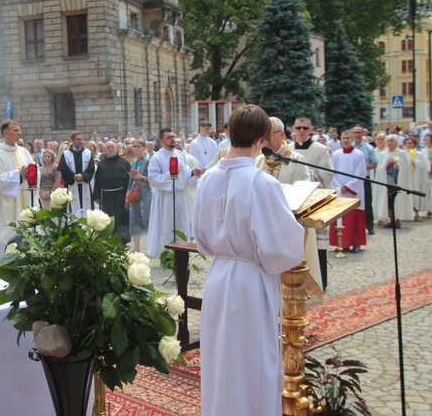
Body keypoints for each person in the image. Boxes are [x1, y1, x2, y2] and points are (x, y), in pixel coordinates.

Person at [192, 105, 304, 416]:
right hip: (251, 280)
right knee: (253, 362)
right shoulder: (262, 182)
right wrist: (298, 229)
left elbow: (199, 236)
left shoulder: (207, 178)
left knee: (221, 361)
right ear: (261, 139)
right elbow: (280, 246)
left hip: (219, 276)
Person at [255, 117, 322, 288]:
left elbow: (303, 190)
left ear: (282, 134)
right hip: (261, 224)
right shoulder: (259, 160)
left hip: (287, 223)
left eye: (269, 134)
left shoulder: (295, 160)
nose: (265, 139)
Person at [0, 120, 37, 254]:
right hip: (8, 205)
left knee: (29, 237)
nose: (19, 133)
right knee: (10, 237)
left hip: (26, 202)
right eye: (16, 130)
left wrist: (32, 172)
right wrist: (18, 174)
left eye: (19, 130)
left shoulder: (24, 152)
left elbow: (34, 171)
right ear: (6, 133)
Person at [289, 116, 333, 289]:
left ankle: (319, 281)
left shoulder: (320, 149)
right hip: (293, 203)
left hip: (313, 201)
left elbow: (327, 174)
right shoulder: (288, 150)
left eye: (305, 128)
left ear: (311, 130)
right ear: (293, 129)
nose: (301, 131)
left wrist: (304, 176)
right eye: (298, 128)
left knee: (317, 243)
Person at [147, 128, 201, 258]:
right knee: (167, 227)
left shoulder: (180, 155)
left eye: (174, 137)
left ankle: (181, 255)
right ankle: (167, 256)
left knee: (181, 224)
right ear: (161, 141)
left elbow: (185, 175)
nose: (173, 140)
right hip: (165, 198)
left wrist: (193, 173)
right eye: (169, 138)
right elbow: (153, 178)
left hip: (180, 196)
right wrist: (170, 174)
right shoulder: (157, 157)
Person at [329, 131, 368, 253]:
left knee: (354, 219)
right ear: (341, 140)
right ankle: (340, 244)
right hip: (339, 191)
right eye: (343, 138)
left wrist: (349, 186)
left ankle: (355, 243)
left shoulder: (359, 155)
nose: (345, 140)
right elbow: (331, 172)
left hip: (353, 192)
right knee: (340, 218)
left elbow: (361, 173)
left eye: (348, 138)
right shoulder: (336, 155)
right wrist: (339, 187)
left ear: (352, 139)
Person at [92, 141, 131, 243]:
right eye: (108, 147)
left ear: (117, 149)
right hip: (106, 196)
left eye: (112, 147)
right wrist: (96, 195)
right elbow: (97, 180)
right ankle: (108, 238)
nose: (110, 149)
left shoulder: (124, 162)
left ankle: (122, 240)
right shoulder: (101, 164)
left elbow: (129, 180)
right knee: (107, 218)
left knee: (120, 218)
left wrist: (128, 196)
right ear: (104, 150)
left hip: (120, 195)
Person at [57, 131, 95, 217]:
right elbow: (63, 169)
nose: (80, 141)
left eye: (81, 139)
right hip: (71, 185)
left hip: (85, 184)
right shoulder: (66, 154)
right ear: (72, 141)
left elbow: (91, 168)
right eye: (78, 139)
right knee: (72, 210)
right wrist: (73, 176)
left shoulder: (88, 153)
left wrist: (83, 176)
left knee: (87, 210)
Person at [126, 139, 152, 253]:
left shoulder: (148, 161)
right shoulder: (134, 162)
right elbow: (130, 180)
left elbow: (153, 178)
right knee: (134, 219)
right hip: (134, 192)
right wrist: (127, 195)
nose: (136, 149)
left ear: (144, 148)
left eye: (138, 146)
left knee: (147, 220)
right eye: (134, 147)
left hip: (145, 193)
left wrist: (142, 177)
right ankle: (136, 248)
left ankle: (151, 247)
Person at [351, 125, 378, 234]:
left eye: (359, 132)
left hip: (364, 179)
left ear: (363, 134)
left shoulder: (369, 148)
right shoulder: (349, 147)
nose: (357, 135)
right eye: (355, 132)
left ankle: (369, 226)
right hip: (351, 180)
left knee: (367, 202)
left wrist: (361, 168)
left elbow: (374, 164)